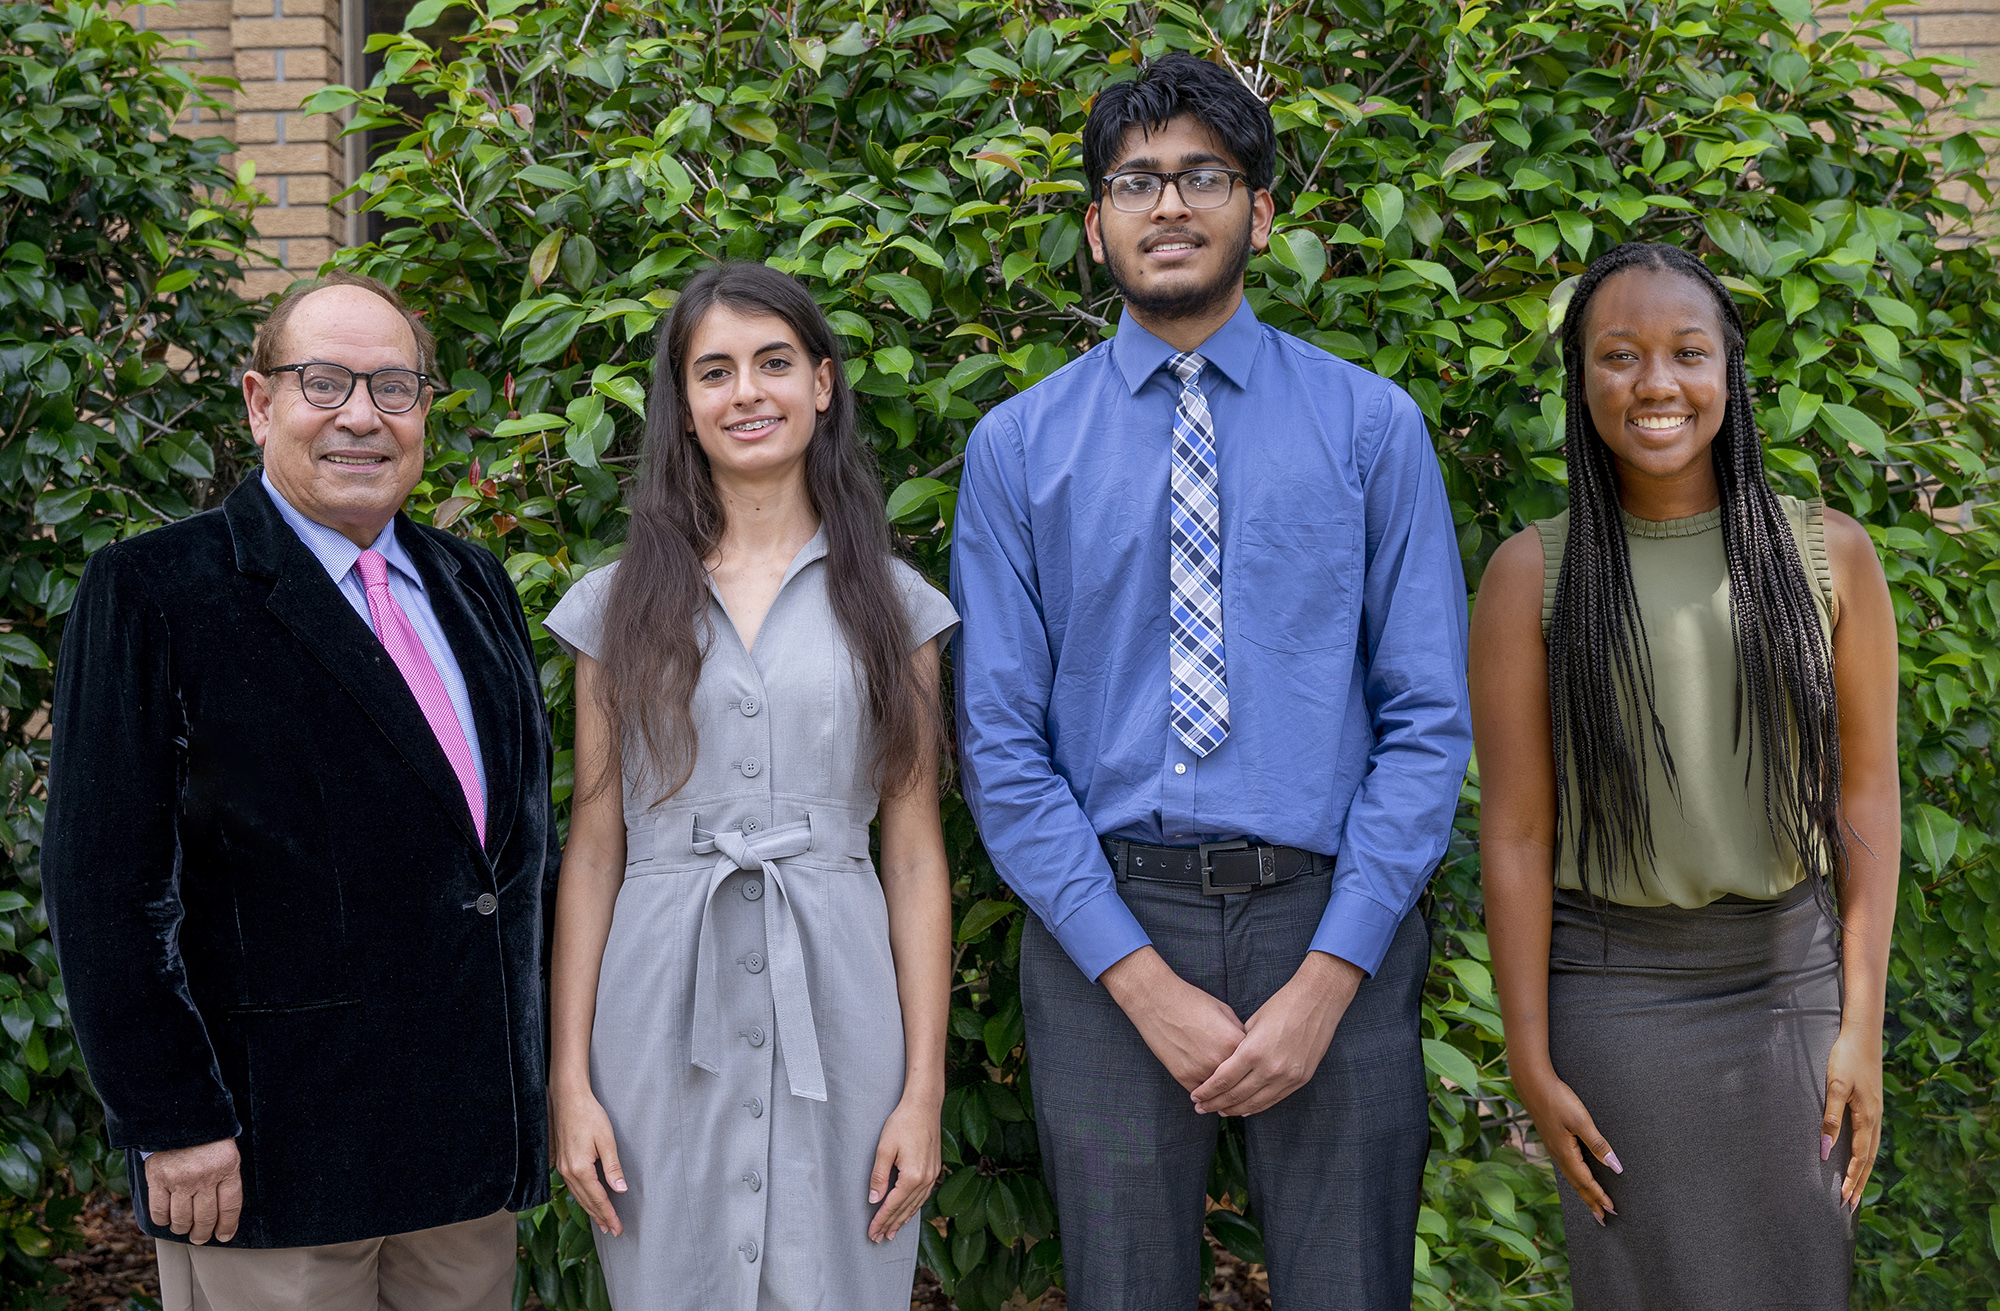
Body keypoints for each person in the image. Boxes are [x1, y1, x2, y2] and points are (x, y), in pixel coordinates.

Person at [950, 53, 1473, 1310]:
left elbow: (1425, 721)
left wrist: (1330, 977)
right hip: (1105, 930)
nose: (1168, 206)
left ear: (1261, 211)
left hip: (1327, 920)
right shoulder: (1017, 449)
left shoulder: (1369, 428)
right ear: (1095, 222)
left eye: (1203, 176)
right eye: (1136, 181)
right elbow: (998, 744)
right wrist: (1135, 978)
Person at [40, 271, 557, 1311]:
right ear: (256, 400)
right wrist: (172, 1121)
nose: (361, 415)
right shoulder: (155, 591)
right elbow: (105, 889)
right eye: (324, 382)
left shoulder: (473, 584)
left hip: (461, 1159)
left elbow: (501, 863)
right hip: (269, 1162)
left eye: (393, 387)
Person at [1470, 242, 1900, 1309]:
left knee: (1801, 1281)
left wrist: (1858, 1023)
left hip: (1788, 985)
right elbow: (1517, 837)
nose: (1654, 384)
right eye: (1617, 356)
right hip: (1617, 998)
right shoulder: (1532, 574)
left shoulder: (1827, 557)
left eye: (1685, 353)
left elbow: (1864, 802)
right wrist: (1527, 1055)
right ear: (1579, 383)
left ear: (1728, 375)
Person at [543, 261, 955, 1310]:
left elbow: (910, 852)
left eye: (773, 363)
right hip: (657, 1009)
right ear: (683, 407)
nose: (747, 393)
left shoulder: (895, 609)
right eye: (714, 372)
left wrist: (921, 1088)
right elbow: (594, 848)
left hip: (842, 1005)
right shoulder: (613, 606)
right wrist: (572, 1080)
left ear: (822, 383)